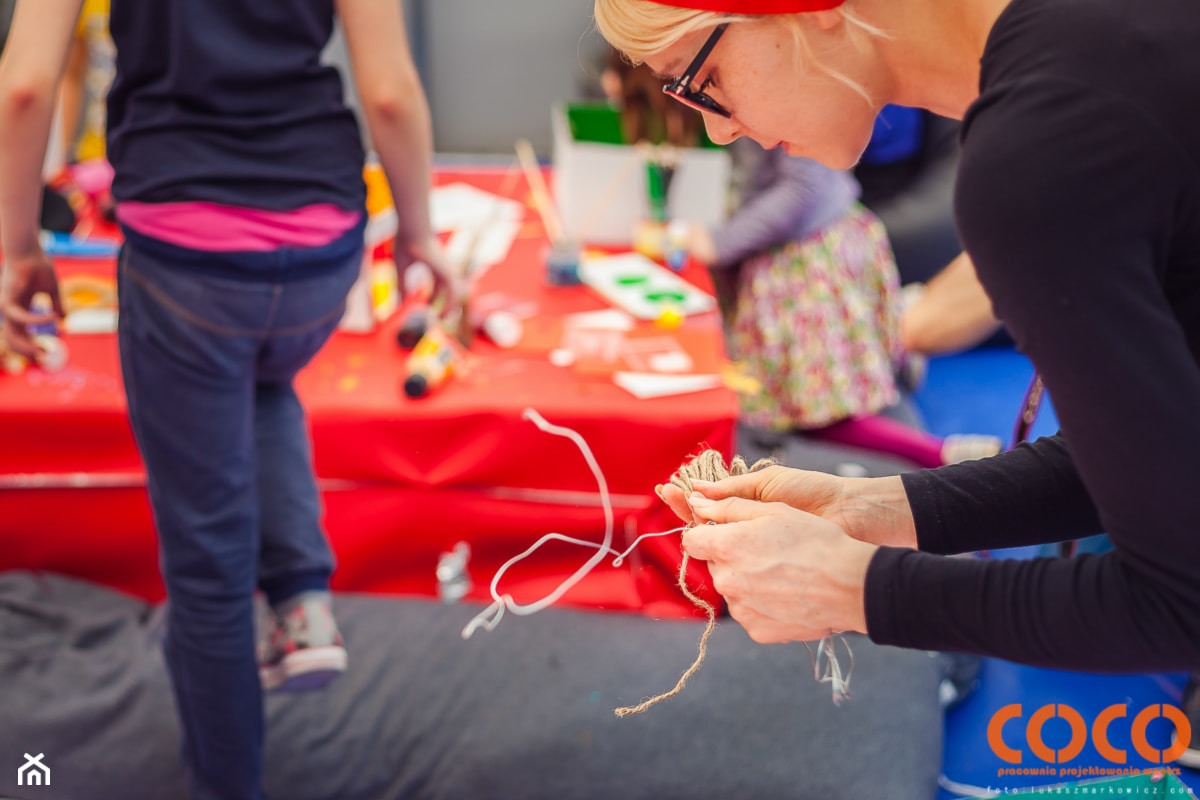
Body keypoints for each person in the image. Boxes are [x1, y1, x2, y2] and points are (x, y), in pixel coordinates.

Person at [594, 0, 1200, 689]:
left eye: (699, 78)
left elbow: (1179, 601)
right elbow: (1152, 465)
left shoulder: (1039, 159)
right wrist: (871, 511)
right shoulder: (1094, 46)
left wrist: (851, 588)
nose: (718, 126)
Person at [0, 1, 459, 799]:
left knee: (207, 567)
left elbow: (24, 85)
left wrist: (14, 247)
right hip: (322, 249)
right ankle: (300, 597)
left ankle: (225, 787)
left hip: (188, 260)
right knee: (264, 374)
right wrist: (417, 231)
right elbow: (390, 91)